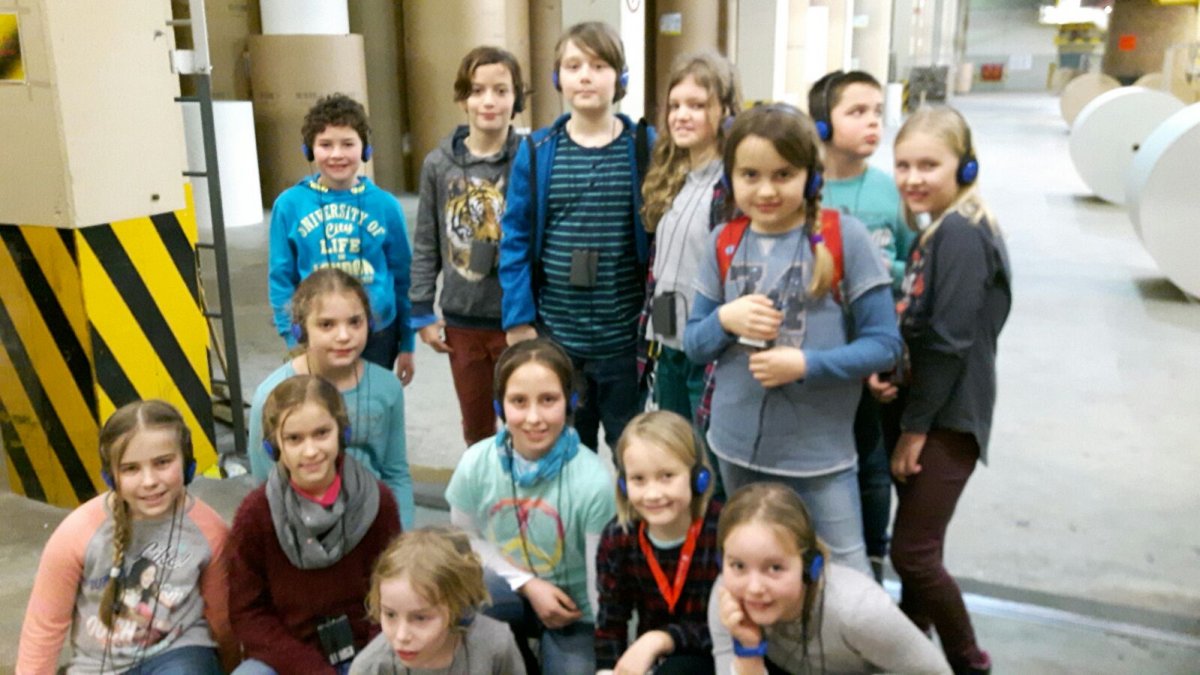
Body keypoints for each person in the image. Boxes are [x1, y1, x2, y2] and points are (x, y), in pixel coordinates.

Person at [682, 104, 903, 575]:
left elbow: (885, 344)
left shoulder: (845, 237)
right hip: (734, 449)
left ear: (810, 176)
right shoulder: (724, 241)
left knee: (847, 576)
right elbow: (694, 345)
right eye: (750, 175)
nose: (766, 190)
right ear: (731, 177)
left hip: (820, 459)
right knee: (755, 570)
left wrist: (806, 365)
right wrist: (725, 319)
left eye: (783, 175)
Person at [872, 105, 1011, 675]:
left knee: (913, 554)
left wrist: (914, 429)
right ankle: (911, 654)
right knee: (922, 548)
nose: (913, 178)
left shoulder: (961, 234)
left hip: (947, 417)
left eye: (929, 165)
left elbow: (949, 342)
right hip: (929, 408)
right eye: (903, 165)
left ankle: (969, 663)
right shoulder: (940, 227)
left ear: (965, 166)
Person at [498, 21, 654, 453]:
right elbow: (514, 239)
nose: (586, 76)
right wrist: (518, 319)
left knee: (631, 449)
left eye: (599, 66)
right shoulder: (538, 151)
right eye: (574, 65)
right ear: (557, 77)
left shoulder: (643, 146)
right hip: (557, 339)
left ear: (621, 78)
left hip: (623, 340)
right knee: (564, 450)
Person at [17, 400, 234, 674]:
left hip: (178, 653)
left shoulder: (209, 531)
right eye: (131, 468)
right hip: (97, 664)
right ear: (110, 477)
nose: (149, 481)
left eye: (163, 462)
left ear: (188, 465)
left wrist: (232, 667)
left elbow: (222, 617)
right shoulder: (77, 533)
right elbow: (44, 627)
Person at [444, 338, 616, 674]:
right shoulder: (476, 463)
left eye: (548, 400)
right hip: (504, 587)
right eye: (519, 401)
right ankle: (515, 654)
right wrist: (529, 584)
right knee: (458, 597)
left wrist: (607, 649)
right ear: (500, 407)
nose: (534, 418)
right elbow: (464, 542)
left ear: (571, 402)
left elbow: (601, 581)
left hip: (573, 609)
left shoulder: (594, 480)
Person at [808, 70, 914, 582]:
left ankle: (871, 558)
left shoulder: (890, 193)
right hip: (818, 354)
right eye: (857, 112)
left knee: (871, 463)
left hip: (874, 352)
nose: (873, 122)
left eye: (876, 111)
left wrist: (877, 264)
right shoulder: (805, 189)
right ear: (822, 125)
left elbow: (916, 267)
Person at [229, 375, 402, 674]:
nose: (310, 451)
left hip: (371, 652)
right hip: (291, 659)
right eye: (294, 439)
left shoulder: (378, 503)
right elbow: (248, 613)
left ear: (342, 434)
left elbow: (396, 593)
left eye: (321, 433)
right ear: (273, 447)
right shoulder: (255, 515)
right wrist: (311, 669)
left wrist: (369, 664)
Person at [410, 46, 526, 447]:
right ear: (463, 98)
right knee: (476, 429)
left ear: (517, 99)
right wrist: (422, 309)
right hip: (462, 319)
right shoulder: (438, 164)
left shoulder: (530, 159)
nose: (488, 101)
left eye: (501, 90)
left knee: (525, 424)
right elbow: (427, 240)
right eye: (477, 91)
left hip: (519, 319)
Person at [709, 483, 952, 674]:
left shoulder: (858, 610)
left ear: (810, 566)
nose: (753, 588)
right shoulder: (728, 598)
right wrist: (748, 651)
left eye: (774, 568)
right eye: (738, 565)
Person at [248, 268, 414, 530]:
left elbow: (396, 473)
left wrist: (401, 535)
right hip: (300, 529)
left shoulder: (387, 388)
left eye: (355, 322)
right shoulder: (271, 395)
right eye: (327, 325)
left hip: (372, 519)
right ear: (300, 330)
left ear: (369, 324)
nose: (344, 336)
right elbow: (265, 484)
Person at [268, 93, 415, 384]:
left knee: (371, 405)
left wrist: (407, 343)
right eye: (325, 145)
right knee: (321, 406)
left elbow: (404, 280)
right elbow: (281, 278)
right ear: (309, 150)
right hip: (316, 334)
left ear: (365, 149)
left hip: (377, 335)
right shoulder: (289, 205)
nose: (337, 154)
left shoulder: (386, 206)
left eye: (348, 144)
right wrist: (292, 339)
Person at [639, 51, 741, 423]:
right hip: (667, 342)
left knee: (704, 449)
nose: (682, 115)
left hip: (708, 347)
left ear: (725, 110)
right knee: (674, 444)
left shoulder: (731, 187)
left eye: (697, 106)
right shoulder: (672, 177)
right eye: (675, 105)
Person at [594, 410, 722, 675]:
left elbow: (737, 628)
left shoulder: (723, 532)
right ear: (624, 484)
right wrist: (607, 668)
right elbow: (611, 622)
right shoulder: (619, 537)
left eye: (667, 476)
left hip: (717, 653)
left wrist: (663, 638)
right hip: (654, 659)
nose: (652, 494)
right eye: (638, 479)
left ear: (698, 478)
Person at [350, 527, 526, 674]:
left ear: (456, 607)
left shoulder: (496, 645)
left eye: (420, 618)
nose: (401, 636)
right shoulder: (370, 668)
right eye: (390, 614)